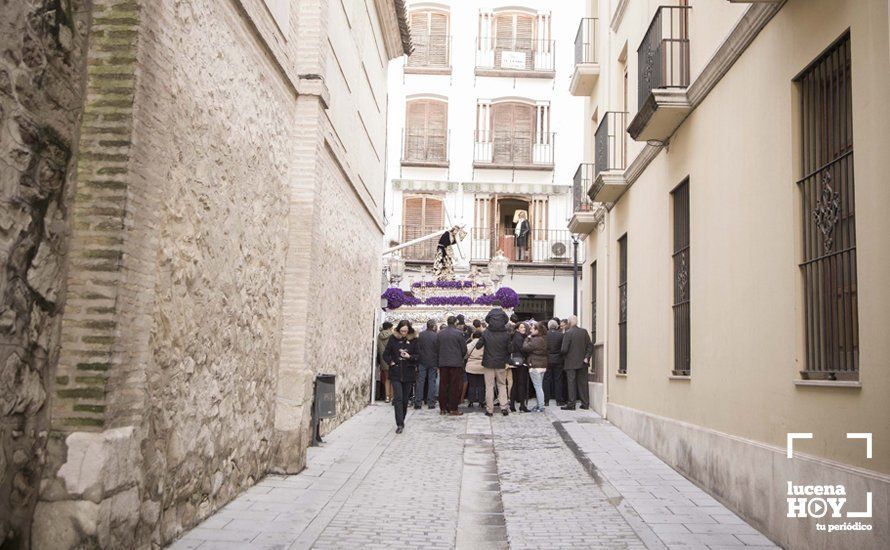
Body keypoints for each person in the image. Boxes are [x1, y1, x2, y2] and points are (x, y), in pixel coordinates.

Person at [475, 303, 511, 416]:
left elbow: (478, 346)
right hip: (501, 363)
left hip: (488, 363)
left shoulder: (486, 333)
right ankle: (504, 407)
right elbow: (510, 349)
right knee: (501, 385)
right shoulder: (506, 334)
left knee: (489, 386)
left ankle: (489, 410)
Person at [382, 320, 418, 433]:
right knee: (398, 398)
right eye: (402, 331)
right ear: (398, 330)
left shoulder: (414, 340)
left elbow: (419, 356)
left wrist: (410, 356)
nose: (404, 333)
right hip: (396, 373)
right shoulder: (393, 339)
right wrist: (391, 362)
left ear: (409, 330)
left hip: (408, 373)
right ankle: (400, 424)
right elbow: (385, 354)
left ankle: (402, 418)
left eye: (406, 331)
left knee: (405, 400)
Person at [560, 315, 593, 410]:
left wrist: (564, 356)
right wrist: (587, 357)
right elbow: (590, 346)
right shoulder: (584, 332)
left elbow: (564, 349)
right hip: (583, 362)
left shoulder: (568, 333)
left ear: (569, 323)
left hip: (570, 362)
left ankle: (571, 404)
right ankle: (585, 403)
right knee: (583, 383)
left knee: (571, 383)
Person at [437, 316, 466, 416]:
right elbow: (464, 349)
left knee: (443, 385)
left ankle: (442, 408)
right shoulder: (459, 333)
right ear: (455, 323)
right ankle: (453, 408)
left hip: (443, 362)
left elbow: (437, 347)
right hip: (455, 363)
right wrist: (459, 356)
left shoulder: (440, 333)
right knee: (454, 386)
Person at [523, 321, 549, 412]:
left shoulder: (534, 340)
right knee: (539, 386)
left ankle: (541, 406)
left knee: (537, 387)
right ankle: (539, 405)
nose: (530, 330)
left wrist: (527, 338)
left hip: (535, 365)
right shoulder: (544, 339)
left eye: (532, 328)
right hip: (543, 365)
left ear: (537, 330)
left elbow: (525, 348)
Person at [415, 319, 439, 410]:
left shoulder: (421, 335)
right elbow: (437, 349)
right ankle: (431, 403)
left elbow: (418, 348)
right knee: (431, 382)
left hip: (422, 361)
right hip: (433, 361)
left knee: (421, 382)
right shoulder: (436, 336)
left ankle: (418, 402)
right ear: (433, 326)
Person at [543, 319, 566, 406]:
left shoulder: (545, 335)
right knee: (558, 379)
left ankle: (546, 400)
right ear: (556, 326)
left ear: (548, 326)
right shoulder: (561, 335)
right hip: (558, 359)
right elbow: (563, 348)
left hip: (547, 359)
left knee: (546, 379)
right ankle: (559, 400)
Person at [509, 322, 530, 412]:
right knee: (521, 384)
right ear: (517, 328)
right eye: (521, 327)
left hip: (515, 361)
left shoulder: (515, 336)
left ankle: (513, 404)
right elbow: (523, 349)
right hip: (521, 362)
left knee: (515, 383)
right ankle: (521, 405)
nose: (524, 329)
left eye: (524, 327)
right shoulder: (519, 337)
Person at [464, 331, 486, 409]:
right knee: (481, 385)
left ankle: (471, 402)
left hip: (471, 367)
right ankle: (481, 402)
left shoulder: (469, 345)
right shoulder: (484, 345)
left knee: (472, 385)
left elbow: (465, 356)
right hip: (482, 367)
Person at [376, 322, 393, 403]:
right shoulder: (392, 336)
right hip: (391, 359)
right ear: (390, 328)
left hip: (383, 359)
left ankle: (387, 397)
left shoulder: (379, 336)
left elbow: (378, 348)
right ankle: (392, 396)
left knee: (387, 379)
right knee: (393, 379)